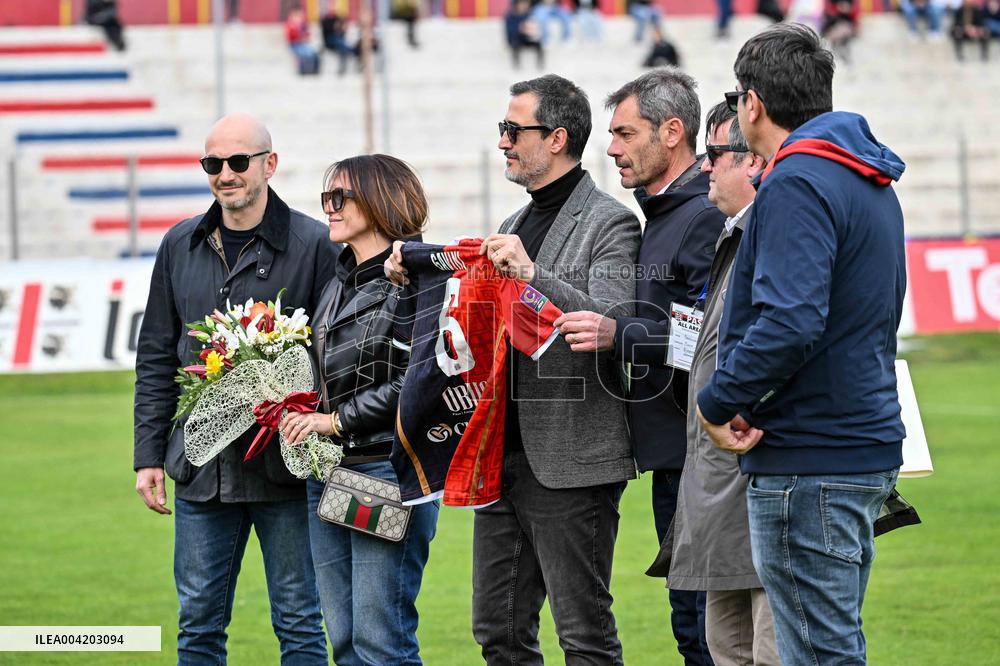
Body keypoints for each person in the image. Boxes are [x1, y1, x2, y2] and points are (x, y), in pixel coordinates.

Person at [387, 74, 641, 665]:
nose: (501, 141)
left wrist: (532, 276)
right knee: (496, 632)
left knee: (584, 636)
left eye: (511, 129)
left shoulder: (611, 222)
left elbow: (611, 321)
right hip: (501, 459)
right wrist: (417, 285)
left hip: (573, 462)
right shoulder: (509, 227)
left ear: (556, 138)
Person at [697, 23, 907, 665]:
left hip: (808, 453)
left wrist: (718, 398)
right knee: (831, 648)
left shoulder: (798, 178)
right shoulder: (866, 177)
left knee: (817, 655)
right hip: (854, 439)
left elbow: (790, 321)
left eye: (737, 98)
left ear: (751, 103)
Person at [133, 112, 335, 665]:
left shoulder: (315, 243)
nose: (226, 174)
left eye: (238, 162)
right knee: (197, 622)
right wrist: (148, 456)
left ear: (270, 164)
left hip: (287, 470)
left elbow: (332, 357)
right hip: (202, 472)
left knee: (299, 621)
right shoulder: (178, 243)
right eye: (213, 163)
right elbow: (155, 356)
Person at [555, 68, 724, 666]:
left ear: (672, 132)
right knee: (694, 629)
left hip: (701, 457)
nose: (611, 148)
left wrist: (615, 331)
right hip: (671, 452)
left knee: (706, 634)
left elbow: (709, 339)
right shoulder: (661, 214)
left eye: (625, 133)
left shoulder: (703, 215)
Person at [279, 154, 439, 665]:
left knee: (380, 640)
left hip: (385, 470)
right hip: (329, 472)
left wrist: (335, 420)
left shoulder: (418, 278)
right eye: (326, 198)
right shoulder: (336, 283)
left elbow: (419, 381)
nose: (328, 208)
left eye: (339, 197)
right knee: (346, 641)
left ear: (379, 199)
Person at [666, 102, 779, 666]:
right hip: (719, 479)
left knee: (771, 647)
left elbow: (785, 338)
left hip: (761, 473)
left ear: (754, 162)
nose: (704, 168)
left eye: (714, 156)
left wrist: (717, 405)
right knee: (724, 647)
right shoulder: (730, 236)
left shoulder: (776, 234)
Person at [505, 0, 545, 69]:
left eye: (527, 4)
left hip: (527, 39)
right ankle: (516, 67)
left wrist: (532, 31)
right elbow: (509, 32)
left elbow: (534, 28)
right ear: (517, 5)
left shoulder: (530, 14)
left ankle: (540, 66)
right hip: (516, 39)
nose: (525, 6)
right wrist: (519, 29)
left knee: (539, 44)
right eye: (523, 4)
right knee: (515, 45)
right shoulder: (511, 16)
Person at [286, 5, 321, 75]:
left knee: (314, 53)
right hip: (295, 45)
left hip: (304, 44)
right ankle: (303, 71)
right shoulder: (290, 25)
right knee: (304, 54)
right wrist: (301, 38)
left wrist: (305, 37)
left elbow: (308, 35)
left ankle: (314, 71)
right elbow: (291, 37)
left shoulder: (303, 24)